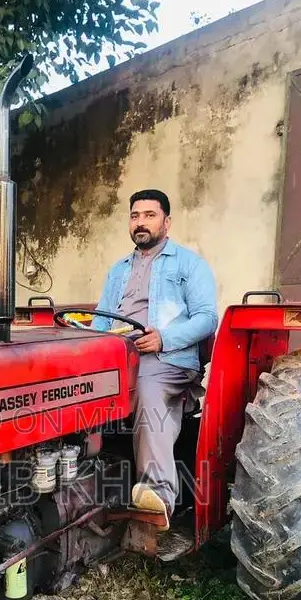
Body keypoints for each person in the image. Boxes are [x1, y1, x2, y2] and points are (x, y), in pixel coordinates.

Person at [92, 189, 218, 530]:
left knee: (147, 390)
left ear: (167, 221)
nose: (141, 222)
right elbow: (101, 320)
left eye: (149, 215)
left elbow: (207, 318)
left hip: (168, 357)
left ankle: (157, 496)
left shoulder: (189, 264)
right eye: (135, 216)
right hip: (121, 354)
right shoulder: (118, 269)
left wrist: (163, 338)